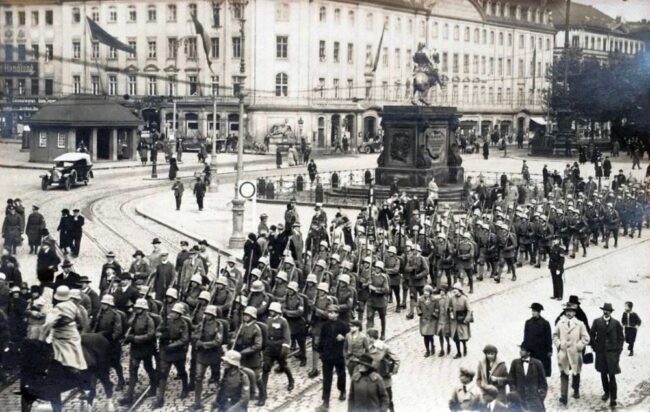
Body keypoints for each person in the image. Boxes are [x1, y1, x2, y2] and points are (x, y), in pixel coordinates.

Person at [38, 286, 88, 371]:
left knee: (47, 349)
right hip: (73, 333)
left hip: (61, 335)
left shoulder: (59, 307)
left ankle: (46, 369)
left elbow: (49, 323)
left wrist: (41, 337)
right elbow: (81, 320)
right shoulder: (74, 306)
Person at [120, 298, 157, 406]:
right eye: (137, 308)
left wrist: (135, 338)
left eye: (139, 308)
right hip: (135, 348)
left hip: (145, 348)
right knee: (132, 370)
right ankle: (129, 395)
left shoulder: (149, 320)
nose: (137, 309)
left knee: (148, 367)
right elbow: (129, 326)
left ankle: (153, 386)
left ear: (144, 308)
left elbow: (150, 335)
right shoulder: (134, 317)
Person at [154, 302, 190, 408]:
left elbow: (184, 339)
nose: (173, 314)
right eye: (173, 312)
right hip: (166, 350)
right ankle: (160, 398)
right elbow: (157, 331)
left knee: (181, 371)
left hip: (177, 351)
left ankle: (185, 388)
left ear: (180, 314)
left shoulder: (183, 324)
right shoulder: (166, 321)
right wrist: (162, 335)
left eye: (176, 312)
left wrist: (173, 345)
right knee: (163, 373)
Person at [553, 301, 590, 405]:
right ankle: (563, 395)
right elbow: (555, 336)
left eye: (571, 311)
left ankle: (576, 389)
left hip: (575, 353)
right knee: (564, 373)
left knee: (576, 372)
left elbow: (586, 338)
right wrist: (559, 344)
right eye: (567, 311)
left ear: (575, 313)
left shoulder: (580, 324)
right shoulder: (560, 323)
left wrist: (580, 346)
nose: (569, 313)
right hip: (563, 353)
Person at [590, 302, 625, 408]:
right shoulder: (597, 322)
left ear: (610, 312)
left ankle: (613, 398)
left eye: (608, 310)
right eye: (604, 310)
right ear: (603, 311)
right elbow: (591, 335)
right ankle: (606, 392)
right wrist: (595, 347)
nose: (606, 312)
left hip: (612, 354)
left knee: (612, 376)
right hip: (601, 353)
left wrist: (618, 350)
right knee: (603, 374)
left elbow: (621, 337)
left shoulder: (616, 323)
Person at [317, 304, 350, 411]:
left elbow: (351, 338)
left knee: (341, 374)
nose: (331, 315)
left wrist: (344, 337)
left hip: (339, 355)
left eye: (333, 312)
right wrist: (320, 352)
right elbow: (321, 340)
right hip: (327, 356)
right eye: (329, 312)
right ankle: (325, 400)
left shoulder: (343, 325)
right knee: (327, 378)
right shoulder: (325, 325)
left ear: (337, 314)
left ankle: (342, 390)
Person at [260, 302, 294, 406]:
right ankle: (263, 394)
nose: (271, 312)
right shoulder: (268, 320)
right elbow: (265, 334)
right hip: (269, 348)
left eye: (273, 311)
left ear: (277, 311)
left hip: (279, 348)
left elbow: (287, 336)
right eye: (270, 310)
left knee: (283, 366)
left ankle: (291, 380)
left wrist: (285, 348)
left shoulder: (283, 322)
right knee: (265, 369)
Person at [191, 304, 223, 411]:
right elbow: (193, 335)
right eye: (206, 314)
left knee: (216, 378)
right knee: (198, 377)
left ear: (213, 315)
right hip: (202, 355)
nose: (207, 316)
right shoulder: (201, 325)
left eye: (209, 314)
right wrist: (197, 338)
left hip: (214, 354)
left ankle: (219, 399)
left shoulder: (218, 325)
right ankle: (197, 402)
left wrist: (204, 344)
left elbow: (218, 341)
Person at [508, 342, 548, 412]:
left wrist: (540, 397)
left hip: (534, 400)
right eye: (520, 349)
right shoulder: (515, 363)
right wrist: (514, 393)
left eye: (523, 350)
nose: (520, 351)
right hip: (520, 400)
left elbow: (543, 383)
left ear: (529, 352)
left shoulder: (537, 363)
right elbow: (511, 380)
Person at [523, 303, 553, 378]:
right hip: (531, 351)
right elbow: (526, 336)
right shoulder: (528, 323)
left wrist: (549, 350)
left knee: (541, 371)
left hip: (541, 351)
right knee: (531, 371)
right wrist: (524, 348)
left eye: (535, 311)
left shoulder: (545, 323)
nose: (533, 312)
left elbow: (548, 338)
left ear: (539, 312)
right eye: (532, 311)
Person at [416, 284, 436, 357]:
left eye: (427, 292)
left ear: (430, 292)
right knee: (425, 336)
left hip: (431, 320)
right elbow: (417, 306)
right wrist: (419, 312)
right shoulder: (420, 299)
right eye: (424, 291)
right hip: (423, 320)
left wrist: (434, 314)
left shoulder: (434, 299)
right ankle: (427, 350)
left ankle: (432, 346)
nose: (425, 293)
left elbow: (437, 308)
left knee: (430, 336)